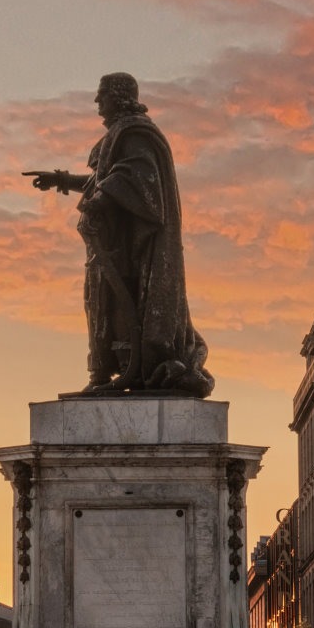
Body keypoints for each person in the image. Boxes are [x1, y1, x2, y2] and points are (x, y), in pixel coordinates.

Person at [28, 72, 213, 397]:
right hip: (109, 244)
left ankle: (127, 372)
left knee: (119, 308)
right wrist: (61, 180)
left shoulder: (136, 133)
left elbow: (138, 176)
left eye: (102, 95)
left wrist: (100, 200)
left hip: (130, 250)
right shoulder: (119, 134)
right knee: (98, 306)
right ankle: (102, 374)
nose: (97, 102)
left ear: (119, 96)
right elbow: (100, 179)